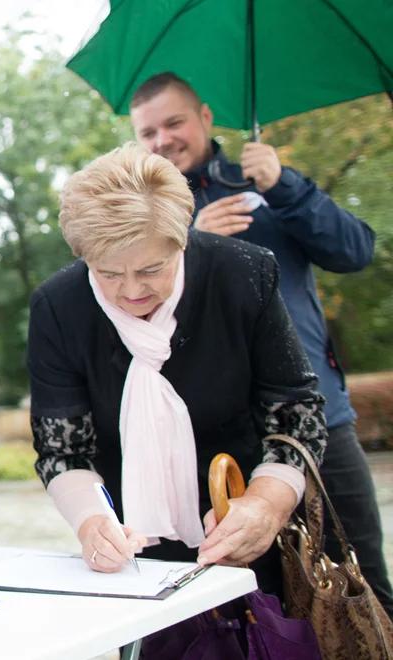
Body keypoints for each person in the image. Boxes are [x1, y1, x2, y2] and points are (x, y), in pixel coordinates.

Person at [128, 71, 391, 613]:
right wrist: (192, 245)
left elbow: (356, 252)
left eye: (173, 122)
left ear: (204, 117)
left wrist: (284, 185)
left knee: (362, 585)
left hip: (317, 418)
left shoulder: (268, 188)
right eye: (148, 132)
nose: (163, 140)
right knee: (258, 601)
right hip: (218, 436)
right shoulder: (145, 221)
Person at [28, 144, 327, 593]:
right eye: (108, 273)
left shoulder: (244, 273)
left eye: (152, 269)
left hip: (248, 529)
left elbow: (297, 415)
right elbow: (64, 450)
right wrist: (92, 524)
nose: (131, 291)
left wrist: (266, 506)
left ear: (181, 240)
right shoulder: (58, 306)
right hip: (134, 548)